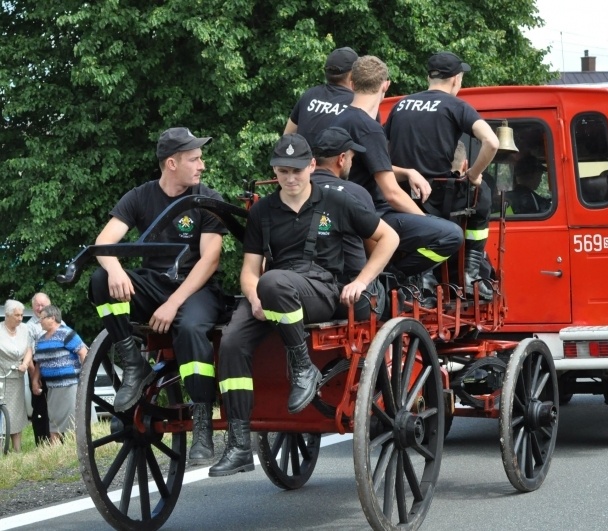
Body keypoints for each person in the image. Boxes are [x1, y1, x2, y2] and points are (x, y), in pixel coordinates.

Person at [208, 133, 399, 476]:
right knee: (231, 341)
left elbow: (389, 238)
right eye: (283, 171)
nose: (291, 178)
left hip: (321, 291)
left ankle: (303, 367)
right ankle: (238, 444)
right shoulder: (263, 211)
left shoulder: (338, 201)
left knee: (274, 282)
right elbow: (250, 272)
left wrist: (361, 281)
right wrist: (253, 299)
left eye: (297, 170)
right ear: (274, 171)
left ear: (312, 165)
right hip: (271, 293)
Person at [89, 127, 228, 465]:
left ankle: (202, 423)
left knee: (192, 329)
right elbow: (102, 243)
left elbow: (210, 259)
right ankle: (134, 364)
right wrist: (117, 270)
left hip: (196, 289)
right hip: (154, 284)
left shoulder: (207, 198)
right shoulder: (139, 196)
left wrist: (174, 303)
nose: (202, 165)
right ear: (171, 163)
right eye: (194, 159)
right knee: (99, 279)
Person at [331, 55, 463, 281]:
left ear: (352, 84)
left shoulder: (339, 120)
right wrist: (425, 221)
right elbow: (392, 194)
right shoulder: (369, 128)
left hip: (348, 210)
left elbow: (368, 164)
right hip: (373, 213)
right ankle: (392, 277)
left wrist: (407, 171)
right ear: (386, 85)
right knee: (450, 235)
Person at [383, 51, 499, 299]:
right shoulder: (456, 105)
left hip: (399, 195)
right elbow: (491, 142)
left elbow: (379, 151)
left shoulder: (401, 105)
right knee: (483, 194)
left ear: (429, 77)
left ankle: (423, 276)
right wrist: (474, 174)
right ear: (456, 79)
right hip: (438, 196)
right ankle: (470, 274)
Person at [310, 126, 386, 319]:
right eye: (351, 158)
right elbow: (374, 247)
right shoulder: (355, 193)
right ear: (341, 159)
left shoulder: (293, 193)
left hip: (307, 292)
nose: (351, 164)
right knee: (391, 291)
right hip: (350, 298)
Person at [30, 305, 87, 443]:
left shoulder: (67, 334)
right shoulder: (40, 339)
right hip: (52, 387)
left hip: (70, 385)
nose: (39, 321)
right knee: (53, 421)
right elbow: (38, 362)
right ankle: (55, 453)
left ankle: (75, 448)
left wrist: (85, 377)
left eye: (42, 318)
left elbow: (83, 353)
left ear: (52, 318)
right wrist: (35, 380)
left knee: (72, 421)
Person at [284, 47, 358, 138]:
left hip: (302, 152)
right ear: (352, 74)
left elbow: (286, 137)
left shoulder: (309, 95)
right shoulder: (357, 103)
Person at [0, 300, 33, 452]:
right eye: (17, 315)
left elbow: (29, 349)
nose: (20, 318)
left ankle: (17, 449)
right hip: (1, 376)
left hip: (17, 377)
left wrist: (25, 364)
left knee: (17, 412)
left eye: (21, 315)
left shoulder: (24, 329)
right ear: (7, 315)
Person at [27, 292, 52, 446]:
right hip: (38, 371)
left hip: (56, 372)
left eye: (43, 304)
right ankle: (42, 443)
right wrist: (34, 379)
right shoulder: (29, 327)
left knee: (56, 407)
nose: (40, 307)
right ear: (32, 306)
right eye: (37, 305)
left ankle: (58, 440)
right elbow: (28, 355)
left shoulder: (58, 322)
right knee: (40, 409)